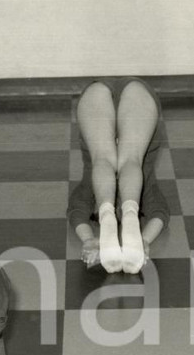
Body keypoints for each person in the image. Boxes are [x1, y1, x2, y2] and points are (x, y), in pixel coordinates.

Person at [68, 78, 169, 274]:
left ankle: (116, 214)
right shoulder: (141, 185)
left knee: (105, 160)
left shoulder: (95, 186)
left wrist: (89, 240)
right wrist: (144, 240)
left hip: (101, 93)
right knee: (126, 160)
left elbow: (76, 209)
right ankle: (123, 212)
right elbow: (160, 212)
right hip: (134, 92)